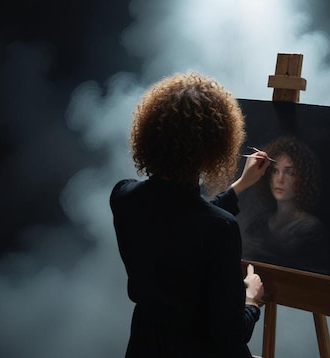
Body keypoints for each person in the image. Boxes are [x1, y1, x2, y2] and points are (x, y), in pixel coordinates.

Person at [110, 72, 272, 358]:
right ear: (214, 148)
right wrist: (251, 302)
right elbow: (229, 335)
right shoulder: (220, 229)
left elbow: (182, 216)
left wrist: (240, 186)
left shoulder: (123, 196)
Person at [243, 136, 330, 273]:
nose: (280, 179)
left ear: (303, 178)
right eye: (275, 171)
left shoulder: (311, 229)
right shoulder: (261, 222)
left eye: (289, 172)